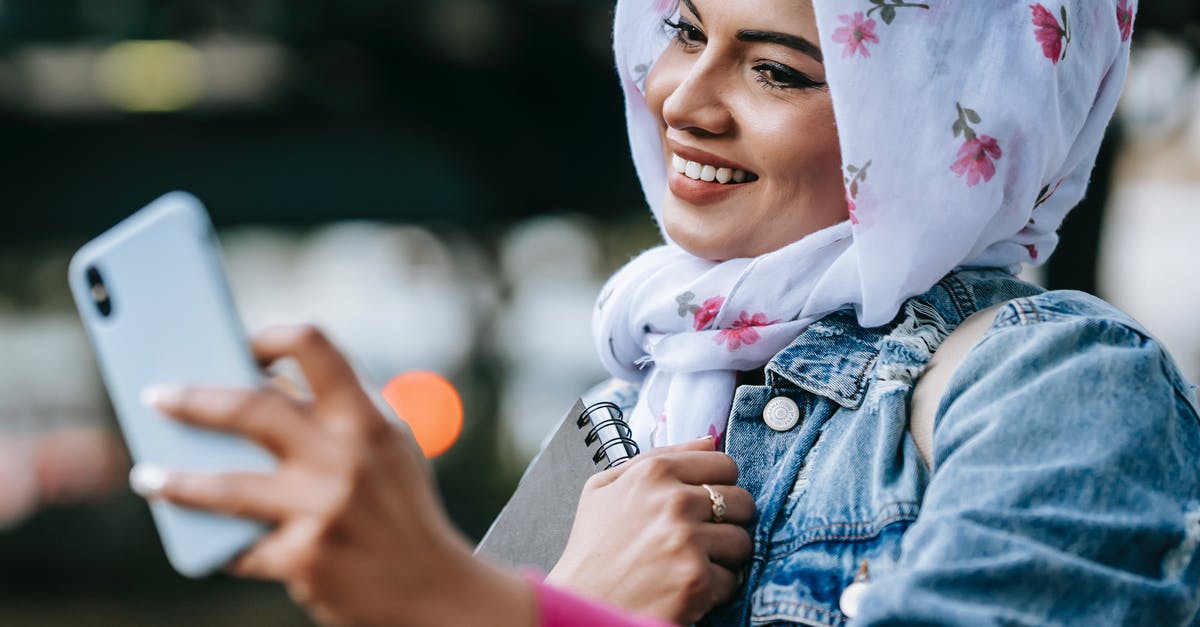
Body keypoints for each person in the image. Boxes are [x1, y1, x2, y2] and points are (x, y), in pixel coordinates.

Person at [130, 0, 1200, 625]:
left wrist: (480, 604)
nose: (683, 96)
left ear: (949, 124)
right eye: (685, 28)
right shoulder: (632, 401)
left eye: (777, 69)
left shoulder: (1062, 389)